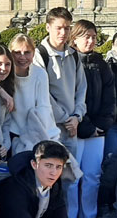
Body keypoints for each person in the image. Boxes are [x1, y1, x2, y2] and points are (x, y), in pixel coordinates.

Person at [68, 20, 115, 218]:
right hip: (75, 129)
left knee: (93, 176)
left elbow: (109, 97)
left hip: (97, 130)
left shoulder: (101, 63)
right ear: (75, 38)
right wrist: (85, 127)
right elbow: (70, 98)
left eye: (94, 37)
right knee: (72, 177)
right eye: (86, 36)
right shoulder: (69, 61)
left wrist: (101, 125)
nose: (91, 41)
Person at [34, 8, 87, 159]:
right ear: (48, 27)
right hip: (49, 128)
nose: (63, 33)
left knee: (71, 171)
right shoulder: (40, 55)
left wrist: (77, 116)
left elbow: (81, 88)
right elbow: (42, 93)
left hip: (71, 128)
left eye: (67, 28)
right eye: (59, 28)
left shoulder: (74, 55)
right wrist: (65, 119)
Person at [5, 34, 60, 155]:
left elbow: (44, 106)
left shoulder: (40, 74)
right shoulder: (4, 71)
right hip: (9, 129)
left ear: (33, 53)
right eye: (17, 53)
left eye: (27, 52)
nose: (22, 57)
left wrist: (47, 134)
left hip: (33, 129)